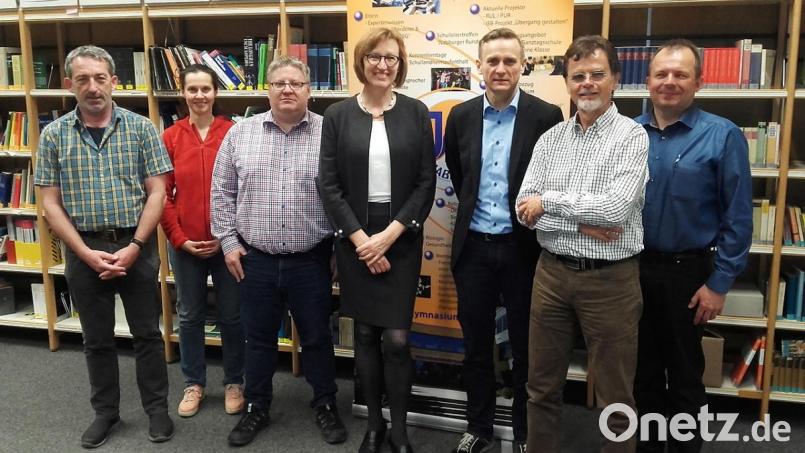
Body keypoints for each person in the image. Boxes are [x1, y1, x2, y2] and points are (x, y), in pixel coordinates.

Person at [34, 45, 174, 448]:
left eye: (100, 78)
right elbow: (49, 202)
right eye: (83, 79)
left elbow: (157, 193)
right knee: (96, 339)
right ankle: (106, 414)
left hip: (137, 245)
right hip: (85, 249)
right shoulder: (54, 134)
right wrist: (83, 251)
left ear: (113, 81)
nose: (92, 87)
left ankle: (157, 410)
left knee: (148, 334)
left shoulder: (141, 128)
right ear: (69, 84)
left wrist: (135, 245)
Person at [515, 35, 648, 452]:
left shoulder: (631, 137)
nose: (587, 83)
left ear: (615, 80)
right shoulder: (550, 139)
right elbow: (523, 208)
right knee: (540, 386)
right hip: (550, 275)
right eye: (578, 76)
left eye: (597, 74)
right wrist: (582, 224)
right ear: (568, 83)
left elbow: (614, 211)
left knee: (615, 396)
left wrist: (550, 204)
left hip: (609, 282)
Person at [210, 56, 347, 448]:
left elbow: (344, 196)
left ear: (309, 90)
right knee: (259, 339)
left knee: (318, 337)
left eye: (296, 83)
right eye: (279, 83)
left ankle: (325, 403)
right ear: (266, 89)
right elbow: (221, 193)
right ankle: (257, 407)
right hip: (257, 261)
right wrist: (229, 242)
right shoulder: (240, 134)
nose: (288, 89)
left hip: (313, 259)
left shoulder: (329, 134)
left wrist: (340, 246)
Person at [444, 28, 563, 453]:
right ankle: (479, 427)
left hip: (523, 250)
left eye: (509, 61)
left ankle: (525, 433)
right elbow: (461, 177)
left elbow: (551, 178)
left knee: (527, 348)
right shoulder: (460, 116)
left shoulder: (546, 115)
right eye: (492, 60)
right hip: (473, 248)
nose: (500, 69)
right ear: (479, 66)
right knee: (476, 345)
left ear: (522, 66)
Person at [318, 27, 436, 453]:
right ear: (361, 62)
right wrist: (361, 240)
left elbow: (426, 183)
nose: (383, 64)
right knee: (365, 336)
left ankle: (400, 429)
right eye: (375, 57)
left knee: (397, 340)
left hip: (400, 235)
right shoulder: (337, 115)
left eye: (392, 57)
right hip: (354, 236)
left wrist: (388, 236)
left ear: (400, 64)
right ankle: (374, 426)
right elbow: (328, 185)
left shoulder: (417, 112)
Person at [634, 39, 752, 453]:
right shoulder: (629, 134)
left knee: (685, 375)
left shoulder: (722, 135)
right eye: (661, 74)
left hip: (689, 275)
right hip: (633, 271)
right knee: (642, 374)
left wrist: (719, 284)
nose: (669, 82)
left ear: (698, 82)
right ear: (647, 81)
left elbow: (738, 217)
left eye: (680, 74)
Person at [160, 64, 244, 419]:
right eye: (192, 89)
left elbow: (246, 190)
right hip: (186, 246)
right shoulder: (170, 137)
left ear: (215, 93)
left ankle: (234, 382)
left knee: (232, 315)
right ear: (183, 93)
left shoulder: (234, 132)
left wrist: (231, 238)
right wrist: (179, 238)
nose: (199, 96)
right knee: (190, 315)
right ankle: (193, 383)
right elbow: (161, 195)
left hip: (228, 244)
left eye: (205, 89)